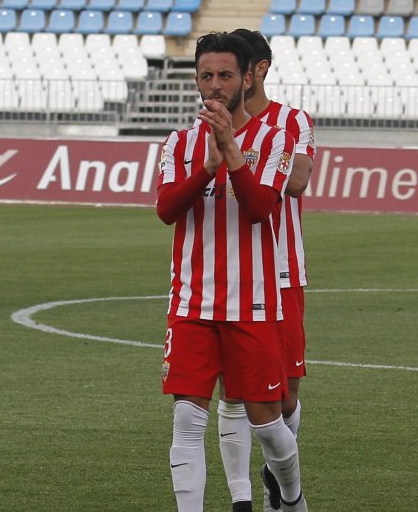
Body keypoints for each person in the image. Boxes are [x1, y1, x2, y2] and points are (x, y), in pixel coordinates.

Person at [156, 32, 309, 512]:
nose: (215, 86)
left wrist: (233, 155)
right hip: (191, 303)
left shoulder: (276, 137)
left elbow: (264, 206)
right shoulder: (179, 143)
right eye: (206, 76)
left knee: (269, 420)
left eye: (224, 75)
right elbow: (165, 209)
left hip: (256, 301)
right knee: (186, 419)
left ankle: (290, 496)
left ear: (247, 77)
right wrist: (206, 167)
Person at [214, 29, 317, 512]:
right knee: (234, 394)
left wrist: (245, 156)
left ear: (260, 69)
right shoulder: (213, 125)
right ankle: (244, 498)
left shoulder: (292, 121)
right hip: (232, 276)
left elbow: (296, 182)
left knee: (285, 397)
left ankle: (278, 474)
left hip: (282, 271)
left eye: (241, 67)